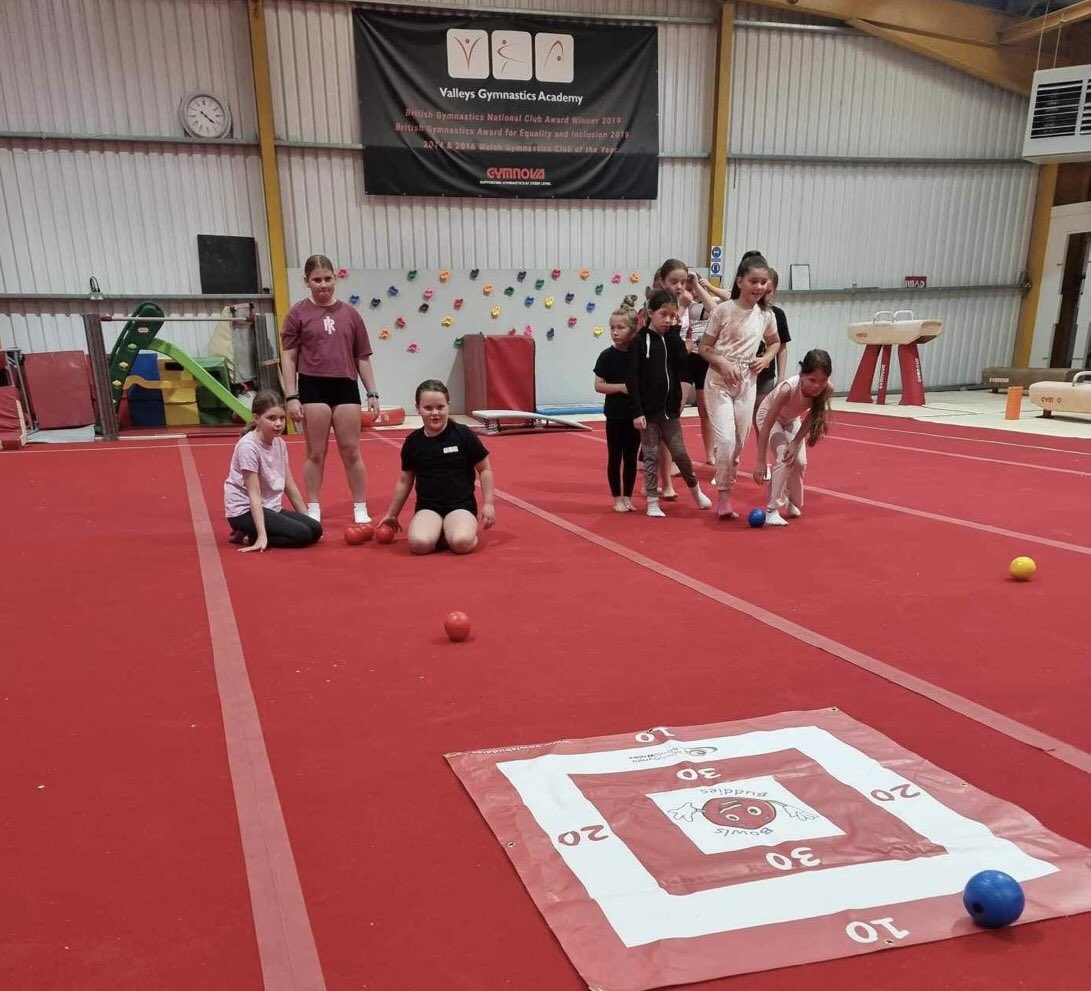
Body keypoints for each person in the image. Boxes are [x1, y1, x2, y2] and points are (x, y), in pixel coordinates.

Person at [280, 253, 380, 525]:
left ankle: (360, 505)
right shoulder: (297, 314)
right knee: (315, 452)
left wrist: (372, 392)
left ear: (336, 278)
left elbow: (362, 356)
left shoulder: (350, 314)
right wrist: (291, 396)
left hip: (345, 385)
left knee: (351, 449)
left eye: (327, 279)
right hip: (313, 385)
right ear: (306, 281)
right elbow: (288, 357)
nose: (323, 285)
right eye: (316, 280)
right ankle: (313, 505)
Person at [698, 252, 781, 519]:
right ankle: (723, 497)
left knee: (737, 445)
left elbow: (776, 342)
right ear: (740, 281)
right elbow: (704, 348)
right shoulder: (723, 310)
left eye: (763, 282)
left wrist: (766, 358)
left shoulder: (766, 315)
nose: (758, 287)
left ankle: (727, 491)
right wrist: (722, 363)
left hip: (747, 382)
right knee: (725, 442)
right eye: (753, 281)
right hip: (719, 381)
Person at [379, 380, 495, 554]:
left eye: (440, 407)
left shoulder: (463, 434)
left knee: (461, 543)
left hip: (460, 506)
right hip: (428, 507)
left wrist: (489, 504)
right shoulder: (413, 442)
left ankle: (455, 530)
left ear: (448, 406)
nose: (435, 413)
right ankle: (440, 530)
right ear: (418, 408)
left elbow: (485, 469)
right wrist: (392, 514)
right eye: (428, 408)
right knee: (419, 545)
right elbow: (405, 480)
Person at [627, 288, 712, 518]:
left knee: (681, 454)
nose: (668, 320)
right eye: (663, 314)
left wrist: (675, 334)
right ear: (650, 313)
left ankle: (696, 491)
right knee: (652, 455)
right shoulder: (639, 342)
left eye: (673, 316)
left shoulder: (671, 339)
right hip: (648, 413)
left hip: (669, 412)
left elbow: (682, 365)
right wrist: (636, 411)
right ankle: (653, 500)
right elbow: (632, 378)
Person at [224, 390, 322, 551]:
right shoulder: (248, 447)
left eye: (282, 418)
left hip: (269, 507)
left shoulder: (279, 444)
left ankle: (255, 533)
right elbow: (253, 494)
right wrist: (262, 536)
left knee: (315, 530)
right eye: (271, 418)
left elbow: (289, 484)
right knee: (302, 535)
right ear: (256, 419)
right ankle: (248, 535)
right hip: (244, 511)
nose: (278, 423)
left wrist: (306, 518)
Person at [752, 349, 833, 526]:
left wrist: (796, 442)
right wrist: (760, 461)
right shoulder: (787, 389)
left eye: (822, 381)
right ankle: (772, 510)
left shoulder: (827, 389)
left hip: (791, 419)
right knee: (785, 457)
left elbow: (812, 416)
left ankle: (789, 500)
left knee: (800, 461)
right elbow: (766, 426)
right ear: (801, 374)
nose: (817, 386)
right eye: (812, 380)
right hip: (768, 418)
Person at [594, 302, 640, 512]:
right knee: (615, 457)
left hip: (635, 414)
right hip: (614, 415)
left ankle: (628, 496)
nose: (615, 332)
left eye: (620, 328)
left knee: (631, 458)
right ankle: (616, 497)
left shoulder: (638, 354)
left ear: (633, 329)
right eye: (612, 327)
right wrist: (621, 387)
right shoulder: (607, 356)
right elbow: (599, 385)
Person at [753, 268, 792, 478]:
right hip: (743, 376)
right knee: (736, 425)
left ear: (774, 291)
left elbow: (781, 346)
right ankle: (730, 463)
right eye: (761, 290)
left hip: (766, 376)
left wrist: (782, 375)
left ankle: (765, 461)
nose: (763, 295)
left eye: (768, 291)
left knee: (762, 419)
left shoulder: (777, 314)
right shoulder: (747, 312)